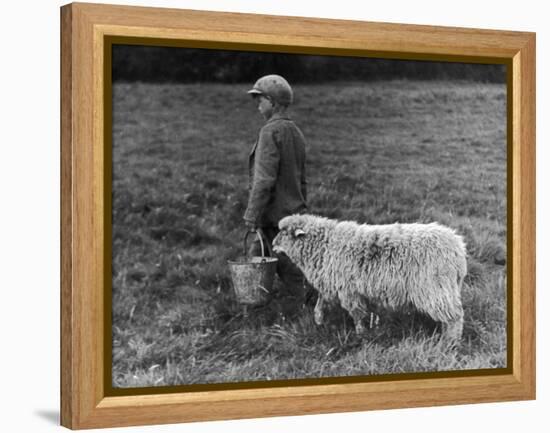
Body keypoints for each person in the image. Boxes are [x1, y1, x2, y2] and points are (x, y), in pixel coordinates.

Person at [244, 74, 308, 306]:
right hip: (293, 215)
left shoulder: (270, 132)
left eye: (260, 99)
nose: (257, 104)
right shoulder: (296, 133)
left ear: (272, 101)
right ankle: (308, 311)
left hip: (272, 218)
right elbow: (302, 181)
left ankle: (254, 311)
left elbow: (263, 180)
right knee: (290, 267)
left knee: (258, 265)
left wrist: (252, 215)